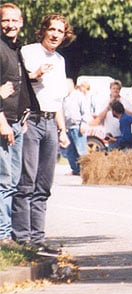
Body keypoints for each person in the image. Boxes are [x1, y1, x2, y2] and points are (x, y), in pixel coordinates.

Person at [13, 13, 73, 253]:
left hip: (50, 122)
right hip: (31, 120)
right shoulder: (28, 51)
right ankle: (22, 237)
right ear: (44, 30)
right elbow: (17, 83)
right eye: (52, 29)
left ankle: (38, 238)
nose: (56, 34)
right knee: (26, 181)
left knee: (44, 184)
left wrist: (62, 130)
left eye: (60, 31)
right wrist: (34, 75)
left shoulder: (59, 60)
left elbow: (57, 100)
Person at [0, 2, 38, 246]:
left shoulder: (16, 49)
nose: (10, 25)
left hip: (16, 122)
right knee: (4, 181)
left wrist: (24, 114)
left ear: (21, 23)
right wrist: (1, 120)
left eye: (14, 20)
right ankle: (3, 236)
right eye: (5, 20)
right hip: (3, 123)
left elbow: (19, 85)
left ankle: (10, 234)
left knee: (13, 181)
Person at [63, 78, 91, 175]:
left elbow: (86, 111)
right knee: (70, 151)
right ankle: (75, 170)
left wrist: (84, 124)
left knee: (81, 150)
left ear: (72, 85)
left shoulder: (79, 96)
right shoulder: (64, 97)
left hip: (78, 126)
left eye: (66, 85)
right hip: (67, 127)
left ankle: (87, 170)